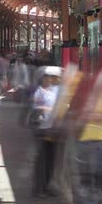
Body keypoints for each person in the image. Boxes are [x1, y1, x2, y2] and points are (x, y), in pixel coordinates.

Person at [32, 66, 62, 197]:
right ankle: (38, 189)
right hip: (43, 130)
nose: (51, 79)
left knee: (52, 160)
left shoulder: (56, 90)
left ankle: (48, 186)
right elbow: (36, 110)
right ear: (43, 78)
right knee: (42, 161)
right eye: (48, 77)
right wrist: (47, 110)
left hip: (55, 130)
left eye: (53, 77)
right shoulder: (39, 92)